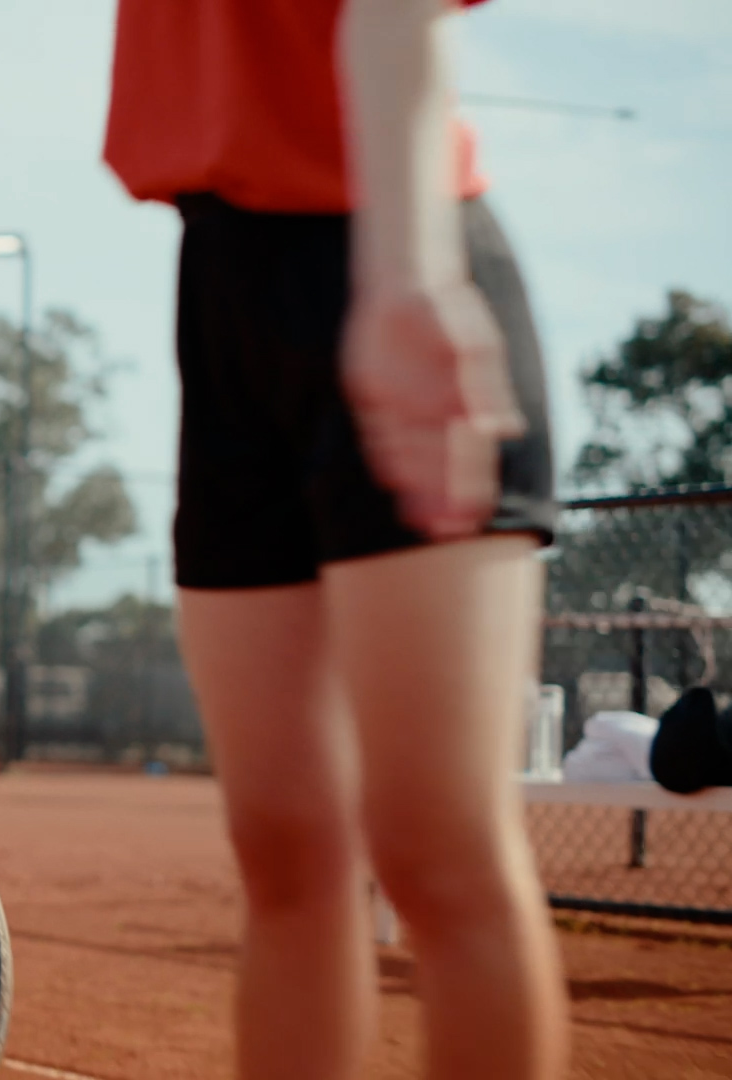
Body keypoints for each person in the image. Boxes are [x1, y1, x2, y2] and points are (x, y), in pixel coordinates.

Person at [102, 2, 566, 1079]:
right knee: (284, 852)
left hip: (399, 252)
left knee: (436, 851)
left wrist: (409, 283)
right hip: (221, 281)